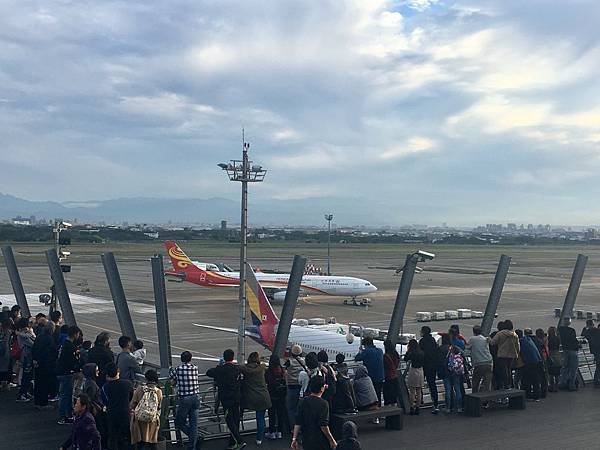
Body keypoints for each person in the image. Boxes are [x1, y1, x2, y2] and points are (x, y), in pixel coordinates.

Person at [206, 349, 244, 450]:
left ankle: (239, 440)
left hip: (226, 400)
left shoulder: (220, 370)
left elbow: (208, 372)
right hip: (236, 398)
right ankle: (233, 442)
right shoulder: (237, 369)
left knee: (229, 421)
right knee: (236, 420)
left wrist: (219, 367)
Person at [291, 376, 337, 450]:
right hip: (320, 440)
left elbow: (298, 422)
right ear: (322, 388)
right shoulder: (324, 404)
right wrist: (331, 440)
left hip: (306, 439)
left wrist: (294, 438)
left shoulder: (303, 401)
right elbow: (323, 425)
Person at [241, 352, 272, 446]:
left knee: (238, 413)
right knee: (260, 418)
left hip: (251, 397)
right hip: (263, 396)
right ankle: (259, 438)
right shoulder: (262, 368)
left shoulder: (244, 369)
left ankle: (235, 437)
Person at [102, 362, 133, 450]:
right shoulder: (127, 384)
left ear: (107, 374)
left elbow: (105, 401)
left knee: (113, 437)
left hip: (112, 414)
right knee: (127, 437)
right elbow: (131, 397)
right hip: (125, 413)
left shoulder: (105, 387)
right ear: (118, 371)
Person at [131, 369, 163, 450]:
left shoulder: (139, 389)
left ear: (146, 378)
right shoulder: (158, 391)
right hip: (153, 420)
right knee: (152, 443)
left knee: (141, 443)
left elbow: (132, 404)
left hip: (140, 420)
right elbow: (159, 406)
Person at [56, 326, 83, 424]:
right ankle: (64, 416)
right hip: (66, 373)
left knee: (65, 394)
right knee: (66, 395)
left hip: (61, 372)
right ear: (76, 334)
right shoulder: (70, 347)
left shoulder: (65, 344)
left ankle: (67, 414)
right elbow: (72, 362)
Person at [32, 320, 57, 409]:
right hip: (45, 365)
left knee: (38, 383)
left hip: (38, 364)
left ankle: (37, 402)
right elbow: (49, 353)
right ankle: (43, 403)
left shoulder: (40, 336)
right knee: (44, 384)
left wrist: (35, 360)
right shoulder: (49, 339)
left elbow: (34, 349)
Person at [354, 337, 384, 409]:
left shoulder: (366, 351)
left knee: (371, 396)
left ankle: (374, 414)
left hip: (371, 377)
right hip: (380, 376)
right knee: (378, 394)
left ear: (366, 344)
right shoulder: (380, 351)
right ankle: (378, 410)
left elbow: (357, 358)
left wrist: (360, 351)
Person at [491, 320, 520, 389]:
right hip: (512, 355)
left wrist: (488, 339)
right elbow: (518, 346)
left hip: (502, 354)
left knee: (503, 370)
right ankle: (509, 384)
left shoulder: (500, 334)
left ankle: (505, 384)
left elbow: (493, 342)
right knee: (508, 369)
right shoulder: (514, 334)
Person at [265, 354, 287, 440]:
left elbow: (266, 382)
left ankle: (272, 432)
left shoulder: (268, 371)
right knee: (280, 414)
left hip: (272, 395)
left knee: (272, 414)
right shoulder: (282, 370)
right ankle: (280, 432)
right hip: (281, 396)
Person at [466, 325, 493, 393]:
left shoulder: (473, 339)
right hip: (489, 362)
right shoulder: (484, 339)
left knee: (475, 382)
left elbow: (466, 348)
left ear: (473, 332)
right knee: (487, 383)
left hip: (479, 363)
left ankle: (475, 399)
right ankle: (487, 399)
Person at [418, 326, 439, 413]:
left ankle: (420, 401)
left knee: (420, 384)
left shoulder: (422, 341)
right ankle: (435, 403)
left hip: (424, 365)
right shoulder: (433, 340)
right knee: (432, 384)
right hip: (433, 365)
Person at [284, 344, 304, 430]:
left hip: (291, 387)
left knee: (291, 409)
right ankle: (301, 427)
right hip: (300, 387)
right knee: (300, 409)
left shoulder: (289, 362)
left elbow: (284, 370)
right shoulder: (303, 361)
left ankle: (293, 428)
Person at [15, 316, 35, 402]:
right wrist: (31, 333)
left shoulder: (21, 334)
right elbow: (33, 343)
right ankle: (22, 394)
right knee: (26, 376)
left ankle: (25, 393)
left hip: (26, 356)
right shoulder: (23, 335)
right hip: (27, 356)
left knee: (27, 376)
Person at [558, 317, 580, 391]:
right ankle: (572, 385)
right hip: (573, 350)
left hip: (565, 350)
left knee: (565, 367)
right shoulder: (572, 330)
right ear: (569, 322)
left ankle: (562, 383)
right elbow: (574, 340)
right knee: (573, 369)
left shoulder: (560, 330)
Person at [520, 329, 543, 401]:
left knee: (526, 379)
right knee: (535, 379)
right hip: (537, 361)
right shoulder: (531, 340)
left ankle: (528, 395)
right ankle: (536, 396)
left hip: (528, 362)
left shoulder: (521, 341)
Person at [404, 339, 424, 415]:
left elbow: (406, 358)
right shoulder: (422, 352)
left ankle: (412, 407)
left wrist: (408, 350)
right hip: (420, 370)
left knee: (412, 391)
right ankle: (418, 407)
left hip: (413, 370)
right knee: (419, 391)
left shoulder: (412, 353)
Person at [382, 339, 400, 407]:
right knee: (393, 395)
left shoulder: (386, 356)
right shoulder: (396, 354)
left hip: (388, 377)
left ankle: (388, 412)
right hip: (394, 376)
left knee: (387, 395)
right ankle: (394, 410)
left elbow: (384, 366)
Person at [582, 322, 600, 387]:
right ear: (593, 324)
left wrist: (585, 328)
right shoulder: (596, 330)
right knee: (598, 366)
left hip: (595, 350)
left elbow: (583, 334)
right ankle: (596, 380)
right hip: (598, 350)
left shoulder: (587, 331)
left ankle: (596, 380)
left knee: (598, 366)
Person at [546, 326, 561, 392]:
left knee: (551, 373)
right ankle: (556, 387)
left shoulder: (547, 339)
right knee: (557, 372)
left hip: (550, 355)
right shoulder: (557, 338)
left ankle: (551, 386)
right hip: (557, 355)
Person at [0, 318, 12, 392]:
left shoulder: (3, 331)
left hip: (2, 352)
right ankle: (6, 383)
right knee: (7, 368)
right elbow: (6, 343)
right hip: (6, 353)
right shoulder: (8, 332)